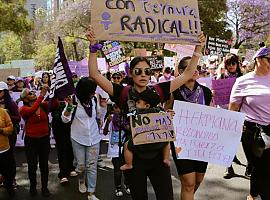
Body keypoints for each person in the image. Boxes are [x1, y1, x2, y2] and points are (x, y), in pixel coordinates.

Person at [86, 25, 206, 200]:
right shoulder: (122, 92)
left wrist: (198, 48)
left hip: (158, 157)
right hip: (134, 160)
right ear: (131, 73)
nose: (143, 75)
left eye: (147, 71)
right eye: (138, 71)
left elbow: (187, 74)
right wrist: (93, 47)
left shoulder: (159, 90)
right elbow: (94, 74)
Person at [165, 56, 212, 200]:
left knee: (197, 181)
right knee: (189, 183)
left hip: (202, 143)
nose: (195, 70)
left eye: (196, 67)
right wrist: (167, 114)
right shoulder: (173, 92)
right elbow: (164, 115)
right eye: (190, 68)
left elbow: (212, 116)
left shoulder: (206, 92)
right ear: (180, 71)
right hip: (181, 143)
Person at [229, 47, 270, 200]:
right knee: (263, 169)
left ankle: (253, 195)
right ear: (258, 60)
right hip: (252, 133)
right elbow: (233, 109)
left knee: (261, 169)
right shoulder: (242, 81)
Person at [61, 77, 101, 200]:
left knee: (92, 165)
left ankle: (91, 193)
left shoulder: (94, 99)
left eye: (94, 91)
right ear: (83, 91)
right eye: (91, 91)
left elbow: (98, 114)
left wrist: (103, 107)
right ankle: (81, 180)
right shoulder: (72, 100)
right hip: (78, 138)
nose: (93, 93)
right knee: (81, 165)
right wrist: (69, 107)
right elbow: (65, 119)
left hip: (94, 138)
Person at [120, 97, 170, 171]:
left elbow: (130, 112)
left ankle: (129, 164)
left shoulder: (136, 112)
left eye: (138, 102)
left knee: (126, 145)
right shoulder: (158, 111)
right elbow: (165, 117)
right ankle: (166, 158)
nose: (136, 104)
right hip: (157, 142)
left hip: (140, 144)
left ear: (147, 106)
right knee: (167, 142)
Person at [19, 85, 52, 197]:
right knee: (32, 166)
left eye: (32, 92)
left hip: (44, 140)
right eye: (29, 93)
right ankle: (33, 187)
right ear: (25, 99)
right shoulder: (23, 109)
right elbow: (32, 110)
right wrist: (42, 95)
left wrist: (54, 91)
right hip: (31, 141)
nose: (33, 93)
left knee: (44, 165)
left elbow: (54, 104)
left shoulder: (42, 105)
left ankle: (44, 187)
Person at [104, 103, 131, 197]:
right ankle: (118, 187)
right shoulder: (111, 118)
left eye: (119, 108)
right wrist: (108, 122)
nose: (118, 110)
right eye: (116, 108)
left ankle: (127, 185)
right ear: (113, 109)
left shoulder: (126, 118)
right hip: (115, 149)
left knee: (127, 168)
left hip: (126, 148)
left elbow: (130, 129)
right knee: (117, 169)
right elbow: (104, 132)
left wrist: (125, 125)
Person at [0, 81, 21, 188]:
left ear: (5, 92)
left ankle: (11, 179)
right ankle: (3, 177)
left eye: (0, 91)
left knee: (10, 157)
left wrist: (7, 114)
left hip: (10, 134)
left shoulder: (11, 103)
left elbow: (18, 118)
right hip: (0, 136)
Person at [0, 89, 15, 197]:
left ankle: (9, 187)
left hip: (4, 149)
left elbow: (10, 128)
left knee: (8, 172)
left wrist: (1, 130)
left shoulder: (3, 112)